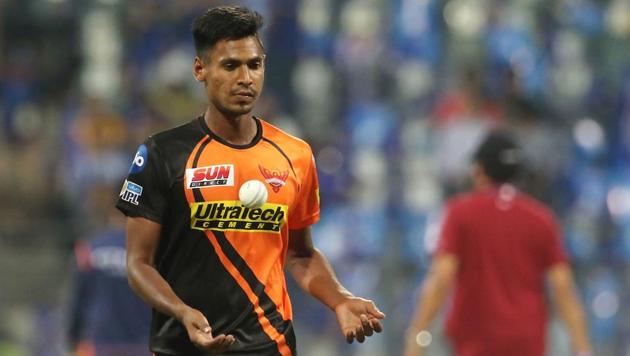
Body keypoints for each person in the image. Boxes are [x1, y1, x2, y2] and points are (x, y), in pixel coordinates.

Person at [116, 5, 384, 356]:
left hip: (271, 345)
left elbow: (300, 253)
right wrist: (182, 312)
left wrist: (341, 300)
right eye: (230, 66)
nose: (245, 78)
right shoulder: (161, 153)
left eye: (254, 65)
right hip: (183, 347)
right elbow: (138, 263)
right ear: (201, 69)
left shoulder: (296, 154)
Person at [403, 131, 592, 356]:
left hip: (475, 342)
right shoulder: (542, 218)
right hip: (527, 341)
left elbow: (442, 276)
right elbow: (563, 287)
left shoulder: (460, 213)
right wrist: (582, 348)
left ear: (479, 171)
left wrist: (418, 334)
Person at [68, 185, 151, 356]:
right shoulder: (155, 253)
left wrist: (73, 338)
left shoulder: (89, 249)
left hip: (100, 346)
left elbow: (78, 301)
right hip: (144, 347)